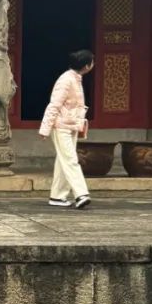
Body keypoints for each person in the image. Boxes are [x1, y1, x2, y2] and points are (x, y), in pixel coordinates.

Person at [39, 49, 94, 210]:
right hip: (61, 126)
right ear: (87, 65)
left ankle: (57, 196)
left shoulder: (76, 79)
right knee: (70, 159)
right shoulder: (66, 80)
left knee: (63, 160)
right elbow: (54, 105)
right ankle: (81, 194)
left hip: (71, 125)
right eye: (92, 62)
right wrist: (45, 128)